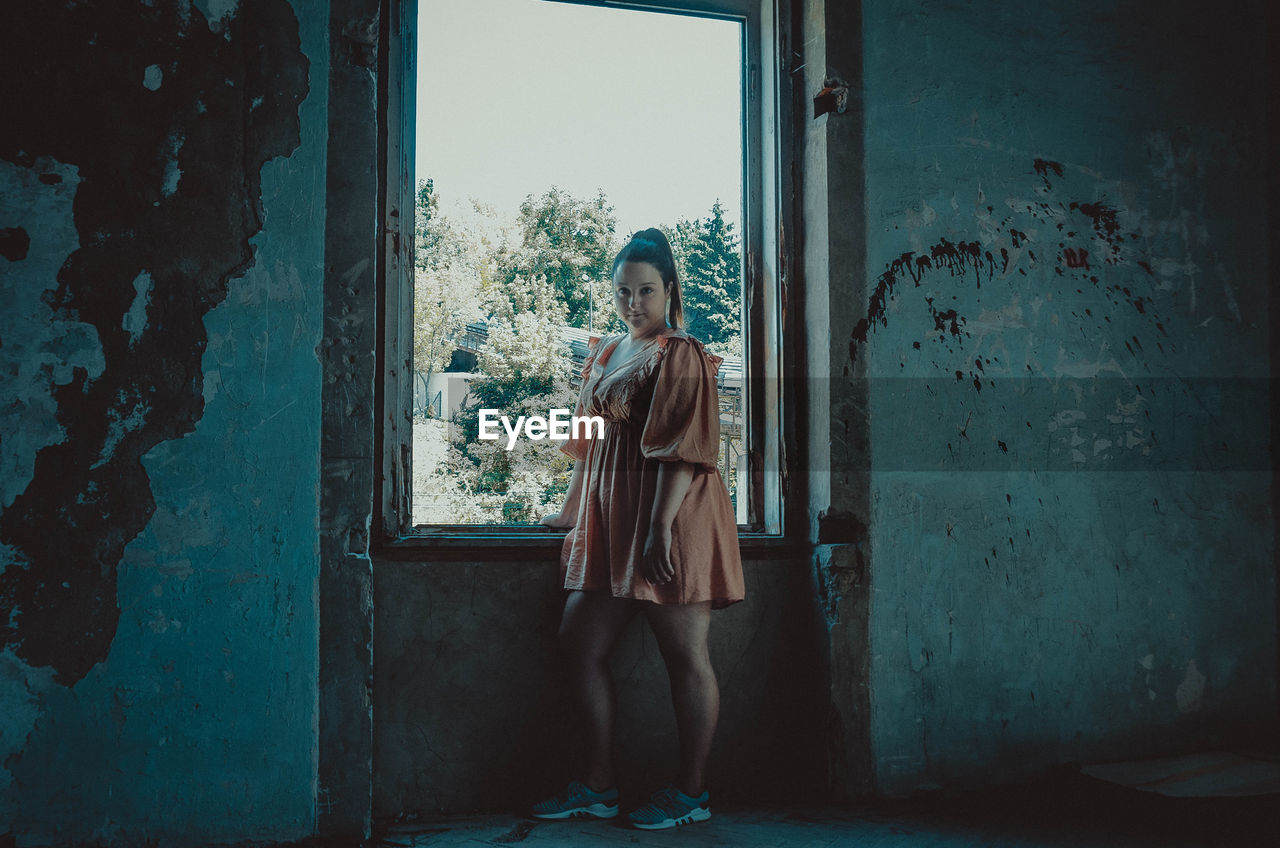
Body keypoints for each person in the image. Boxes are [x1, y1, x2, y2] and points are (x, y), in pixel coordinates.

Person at [531, 228, 745, 830]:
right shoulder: (606, 353)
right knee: (578, 647)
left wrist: (657, 530)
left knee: (685, 658)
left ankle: (692, 793)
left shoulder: (681, 353)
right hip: (614, 520)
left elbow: (682, 451)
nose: (633, 304)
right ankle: (598, 785)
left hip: (669, 518)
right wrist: (573, 515)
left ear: (669, 290)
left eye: (646, 291)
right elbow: (588, 443)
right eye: (623, 291)